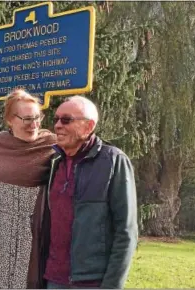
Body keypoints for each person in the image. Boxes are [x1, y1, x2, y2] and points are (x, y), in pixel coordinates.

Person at [38, 96, 138, 289]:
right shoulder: (54, 162)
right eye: (56, 119)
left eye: (66, 120)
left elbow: (126, 231)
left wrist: (111, 285)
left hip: (91, 282)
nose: (57, 125)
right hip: (54, 278)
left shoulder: (113, 161)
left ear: (88, 126)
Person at [0, 89, 56, 289]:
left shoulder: (52, 144)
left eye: (38, 117)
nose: (35, 124)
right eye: (27, 119)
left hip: (33, 230)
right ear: (10, 120)